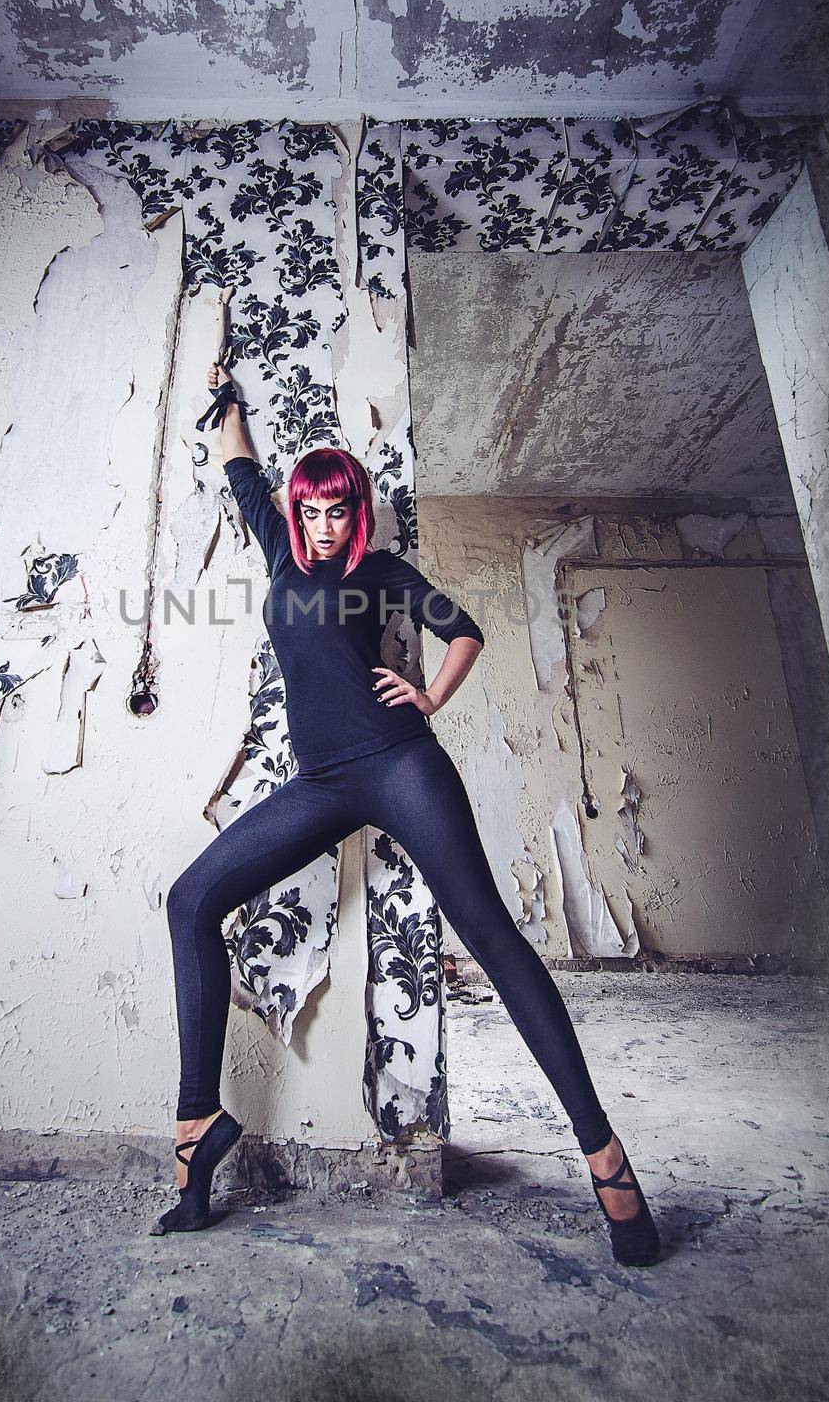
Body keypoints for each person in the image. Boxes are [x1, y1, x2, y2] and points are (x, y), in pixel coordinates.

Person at [151, 362, 661, 1268]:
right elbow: (239, 466)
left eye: (333, 512)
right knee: (190, 901)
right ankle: (197, 1124)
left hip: (399, 767)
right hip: (319, 784)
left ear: (355, 515)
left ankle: (607, 1162)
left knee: (494, 943)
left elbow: (463, 627)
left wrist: (427, 698)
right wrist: (222, 398)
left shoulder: (380, 570)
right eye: (306, 512)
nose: (316, 526)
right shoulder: (278, 547)